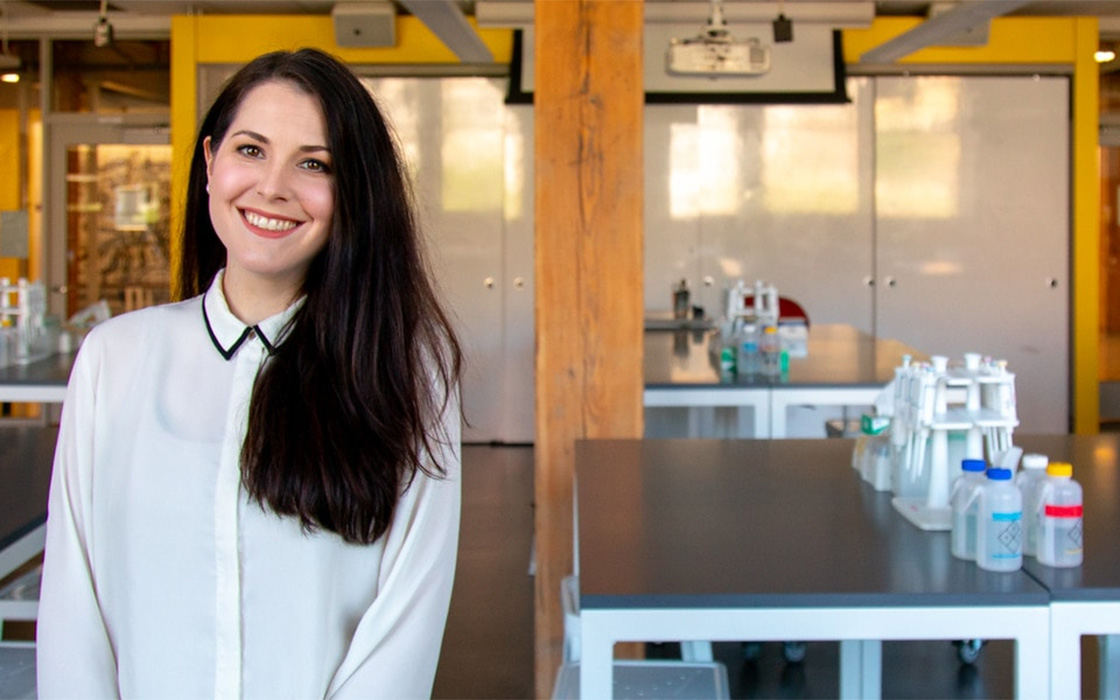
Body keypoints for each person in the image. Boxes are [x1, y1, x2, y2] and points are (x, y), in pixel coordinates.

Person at [37, 48, 463, 699]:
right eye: (251, 150)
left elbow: (404, 629)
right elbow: (73, 614)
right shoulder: (114, 360)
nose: (273, 187)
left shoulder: (407, 372)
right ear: (210, 163)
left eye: (313, 164)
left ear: (352, 193)